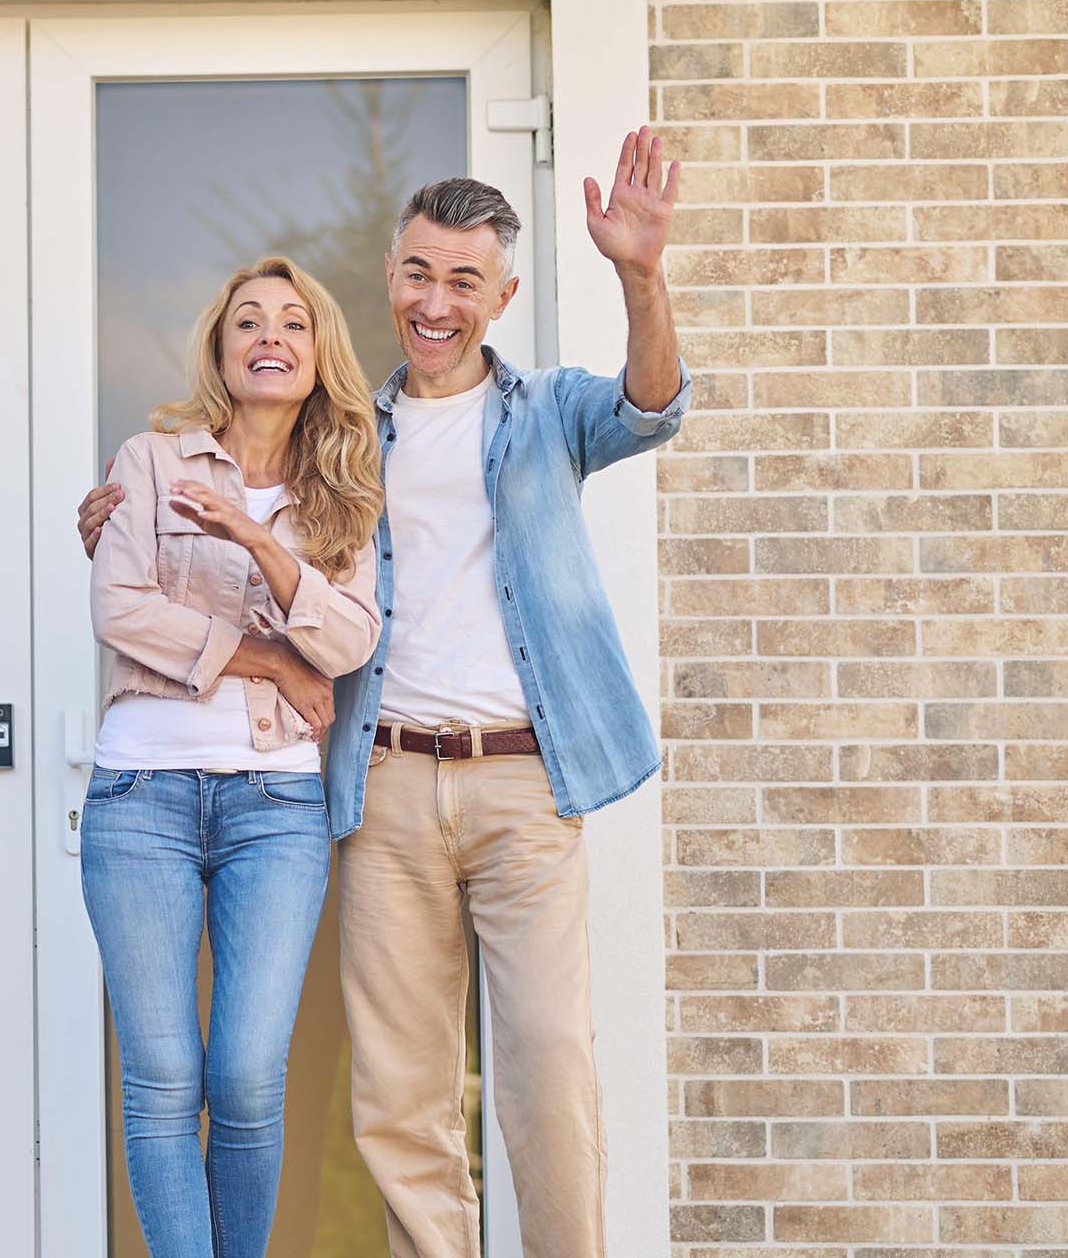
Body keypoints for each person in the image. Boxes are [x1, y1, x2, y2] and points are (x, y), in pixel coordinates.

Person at [78, 128, 688, 1258]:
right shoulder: (346, 435)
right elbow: (215, 531)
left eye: (464, 280)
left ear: (502, 296)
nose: (436, 301)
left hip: (523, 781)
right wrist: (125, 513)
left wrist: (640, 277)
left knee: (548, 1069)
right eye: (417, 273)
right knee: (402, 1100)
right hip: (384, 782)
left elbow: (651, 408)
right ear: (391, 279)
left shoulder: (547, 410)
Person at [84, 257, 384, 1258]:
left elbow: (349, 641)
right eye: (248, 321)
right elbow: (120, 609)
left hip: (276, 806)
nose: (270, 337)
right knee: (164, 1077)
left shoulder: (342, 497)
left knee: (248, 1075)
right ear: (219, 350)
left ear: (318, 355)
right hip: (141, 794)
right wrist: (264, 656)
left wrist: (261, 545)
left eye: (293, 323)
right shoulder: (149, 461)